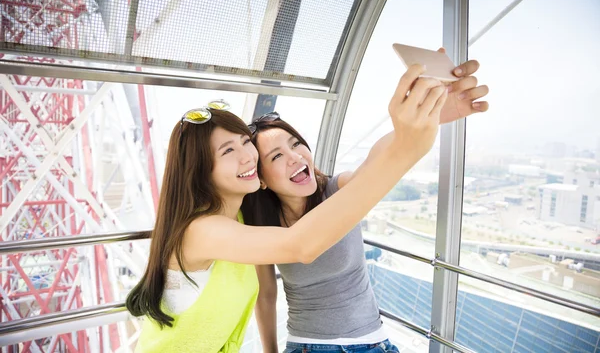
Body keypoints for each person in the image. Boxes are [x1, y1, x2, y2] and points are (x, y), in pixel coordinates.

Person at [125, 64, 447, 353]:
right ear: (201, 170)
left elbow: (366, 170)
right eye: (228, 151)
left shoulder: (242, 220)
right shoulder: (202, 231)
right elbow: (300, 245)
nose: (247, 156)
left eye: (244, 142)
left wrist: (428, 115)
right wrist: (410, 147)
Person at [241, 59, 488, 353]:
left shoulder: (337, 190)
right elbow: (266, 295)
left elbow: (375, 161)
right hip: (308, 347)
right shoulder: (263, 223)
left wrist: (422, 121)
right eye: (277, 157)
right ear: (262, 179)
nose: (295, 157)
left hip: (373, 343)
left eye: (296, 144)